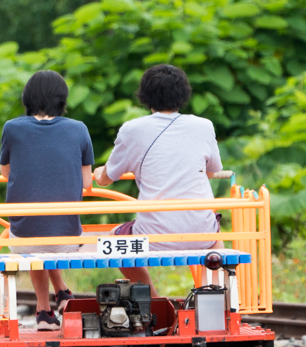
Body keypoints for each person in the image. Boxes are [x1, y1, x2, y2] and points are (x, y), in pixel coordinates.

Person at [94, 64, 223, 297]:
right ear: (184, 94)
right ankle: (219, 297)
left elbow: (106, 179)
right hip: (200, 232)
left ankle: (155, 300)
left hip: (153, 236)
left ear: (145, 96)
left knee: (115, 239)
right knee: (216, 239)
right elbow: (213, 170)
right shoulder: (204, 126)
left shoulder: (132, 129)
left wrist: (98, 173)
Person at [0, 70, 94, 331]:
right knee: (48, 235)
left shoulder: (12, 128)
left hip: (23, 235)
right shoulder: (78, 129)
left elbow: (6, 172)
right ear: (62, 99)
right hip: (67, 237)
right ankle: (62, 292)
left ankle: (44, 310)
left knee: (35, 237)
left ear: (27, 98)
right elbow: (87, 183)